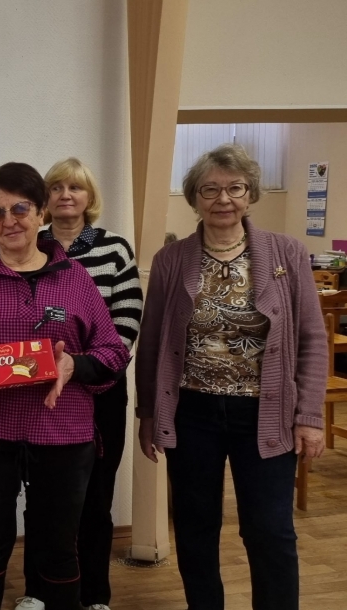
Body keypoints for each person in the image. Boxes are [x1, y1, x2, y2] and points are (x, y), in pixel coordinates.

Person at [0, 162, 130, 610]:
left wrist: (74, 365)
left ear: (40, 213)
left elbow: (114, 353)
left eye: (19, 208)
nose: (9, 220)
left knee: (58, 547)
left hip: (61, 432)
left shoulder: (75, 278)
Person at [136, 144, 326, 610]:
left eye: (235, 188)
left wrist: (309, 416)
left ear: (250, 193)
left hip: (266, 413)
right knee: (196, 529)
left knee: (269, 530)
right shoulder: (171, 259)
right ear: (194, 197)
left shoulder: (288, 253)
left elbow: (312, 338)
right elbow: (153, 343)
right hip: (192, 413)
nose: (223, 198)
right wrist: (148, 414)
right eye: (210, 189)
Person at [31, 158, 143, 610]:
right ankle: (38, 592)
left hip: (100, 389)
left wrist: (86, 366)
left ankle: (95, 595)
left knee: (96, 497)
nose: (65, 195)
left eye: (75, 187)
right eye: (56, 187)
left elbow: (127, 318)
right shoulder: (32, 245)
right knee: (43, 498)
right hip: (41, 392)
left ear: (89, 196)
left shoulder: (114, 248)